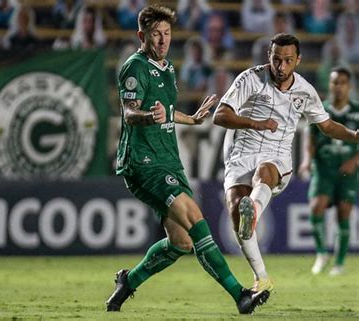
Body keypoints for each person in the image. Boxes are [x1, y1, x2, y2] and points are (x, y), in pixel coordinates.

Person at [106, 5, 270, 315]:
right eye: (156, 34)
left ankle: (129, 281)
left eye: (167, 34)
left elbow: (163, 111)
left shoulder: (167, 68)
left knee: (181, 243)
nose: (162, 40)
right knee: (196, 220)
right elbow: (129, 113)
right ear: (142, 35)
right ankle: (240, 295)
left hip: (168, 160)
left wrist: (192, 120)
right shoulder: (134, 68)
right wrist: (144, 116)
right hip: (143, 162)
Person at [213, 33, 359, 292]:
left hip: (276, 155)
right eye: (276, 59)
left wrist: (353, 136)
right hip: (240, 153)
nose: (281, 67)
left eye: (287, 60)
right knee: (238, 219)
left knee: (264, 172)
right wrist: (254, 123)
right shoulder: (250, 78)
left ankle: (254, 210)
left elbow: (325, 125)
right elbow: (220, 115)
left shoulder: (305, 90)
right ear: (269, 56)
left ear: (298, 60)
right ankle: (262, 277)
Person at [298, 66, 359, 276]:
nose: (338, 86)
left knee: (344, 213)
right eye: (335, 82)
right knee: (316, 207)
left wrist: (355, 160)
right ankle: (322, 253)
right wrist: (306, 161)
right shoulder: (320, 109)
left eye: (342, 82)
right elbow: (310, 141)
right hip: (324, 168)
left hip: (348, 172)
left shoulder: (357, 111)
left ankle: (339, 263)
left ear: (349, 86)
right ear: (329, 85)